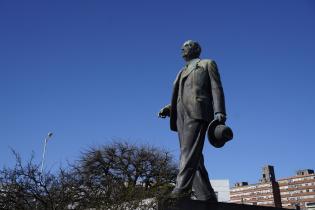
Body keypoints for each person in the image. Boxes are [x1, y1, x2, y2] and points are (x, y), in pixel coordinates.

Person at [158, 40, 227, 201]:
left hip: (198, 111)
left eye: (187, 46)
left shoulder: (207, 64)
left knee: (187, 152)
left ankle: (181, 191)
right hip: (181, 115)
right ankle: (207, 195)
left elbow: (216, 88)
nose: (183, 48)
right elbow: (182, 94)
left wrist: (219, 111)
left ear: (196, 49)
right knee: (194, 155)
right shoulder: (181, 71)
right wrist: (170, 108)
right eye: (182, 47)